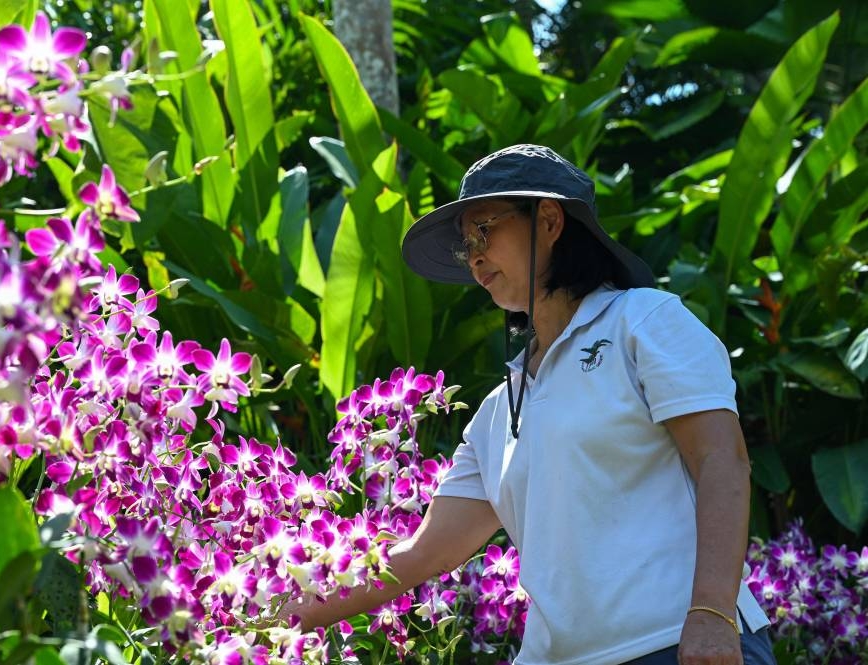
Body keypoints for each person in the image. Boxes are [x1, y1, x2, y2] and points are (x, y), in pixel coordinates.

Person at [288, 145, 776, 665]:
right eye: (464, 245)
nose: (473, 254)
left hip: (676, 644)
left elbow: (722, 460)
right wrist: (256, 617)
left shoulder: (644, 321)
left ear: (548, 220)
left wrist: (711, 613)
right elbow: (422, 554)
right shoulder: (499, 409)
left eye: (484, 230)